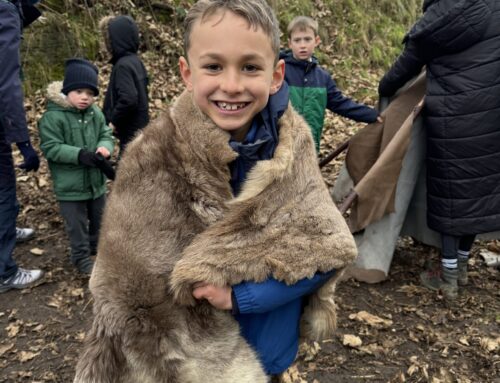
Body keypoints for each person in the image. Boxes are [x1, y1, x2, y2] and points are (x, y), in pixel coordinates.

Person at [74, 1, 357, 382]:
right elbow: (123, 285)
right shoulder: (152, 158)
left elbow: (326, 250)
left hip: (267, 346)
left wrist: (241, 297)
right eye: (213, 66)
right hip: (190, 364)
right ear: (187, 73)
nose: (232, 85)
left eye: (250, 67)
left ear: (276, 76)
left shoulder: (292, 150)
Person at [378, 0, 500, 300]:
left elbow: (401, 71)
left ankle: (447, 278)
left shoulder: (433, 23)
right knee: (477, 192)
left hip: (450, 121)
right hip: (491, 116)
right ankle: (460, 266)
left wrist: (384, 90)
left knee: (450, 194)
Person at [38, 58, 115, 275]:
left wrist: (104, 147)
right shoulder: (53, 117)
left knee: (99, 217)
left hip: (95, 182)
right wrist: (79, 155)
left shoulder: (95, 113)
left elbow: (105, 134)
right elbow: (51, 148)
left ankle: (96, 247)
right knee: (76, 224)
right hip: (70, 188)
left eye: (90, 93)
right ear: (67, 90)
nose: (85, 97)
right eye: (79, 91)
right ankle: (80, 257)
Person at [280, 15, 381, 153]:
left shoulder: (323, 77)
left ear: (316, 41)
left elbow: (340, 103)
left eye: (307, 39)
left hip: (309, 147)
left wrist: (370, 115)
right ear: (290, 43)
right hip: (281, 146)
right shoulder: (280, 72)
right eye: (297, 40)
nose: (302, 45)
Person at [0, 0, 44, 294]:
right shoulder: (5, 11)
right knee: (4, 188)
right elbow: (6, 82)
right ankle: (5, 271)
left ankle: (6, 229)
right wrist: (23, 141)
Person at [100, 15, 149, 156]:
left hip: (130, 133)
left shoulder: (123, 66)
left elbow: (129, 98)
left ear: (115, 40)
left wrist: (113, 121)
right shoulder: (136, 62)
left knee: (128, 172)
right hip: (141, 130)